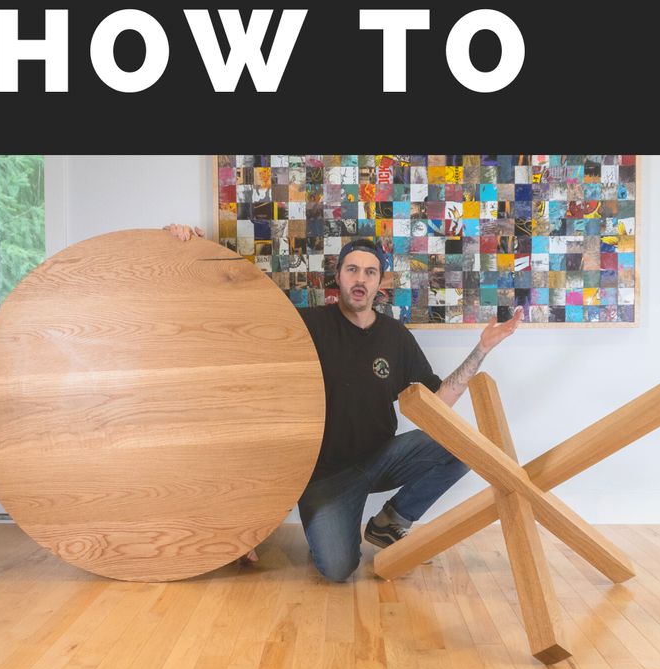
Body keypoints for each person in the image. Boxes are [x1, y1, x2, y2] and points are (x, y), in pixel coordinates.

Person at [164, 224, 523, 579]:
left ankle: (391, 522)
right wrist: (195, 251)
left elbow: (438, 404)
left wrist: (483, 348)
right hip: (322, 476)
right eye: (352, 269)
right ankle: (332, 525)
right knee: (338, 570)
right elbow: (237, 319)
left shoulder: (395, 336)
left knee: (463, 445)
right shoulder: (306, 325)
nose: (360, 279)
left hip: (380, 460)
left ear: (380, 283)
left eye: (370, 272)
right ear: (338, 276)